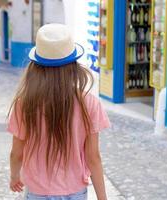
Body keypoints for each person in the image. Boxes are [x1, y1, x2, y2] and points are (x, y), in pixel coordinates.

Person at [7, 23, 110, 200]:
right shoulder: (90, 103)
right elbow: (93, 157)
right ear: (73, 64)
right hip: (75, 192)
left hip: (37, 192)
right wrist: (102, 198)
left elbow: (16, 153)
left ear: (36, 66)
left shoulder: (24, 103)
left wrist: (15, 175)